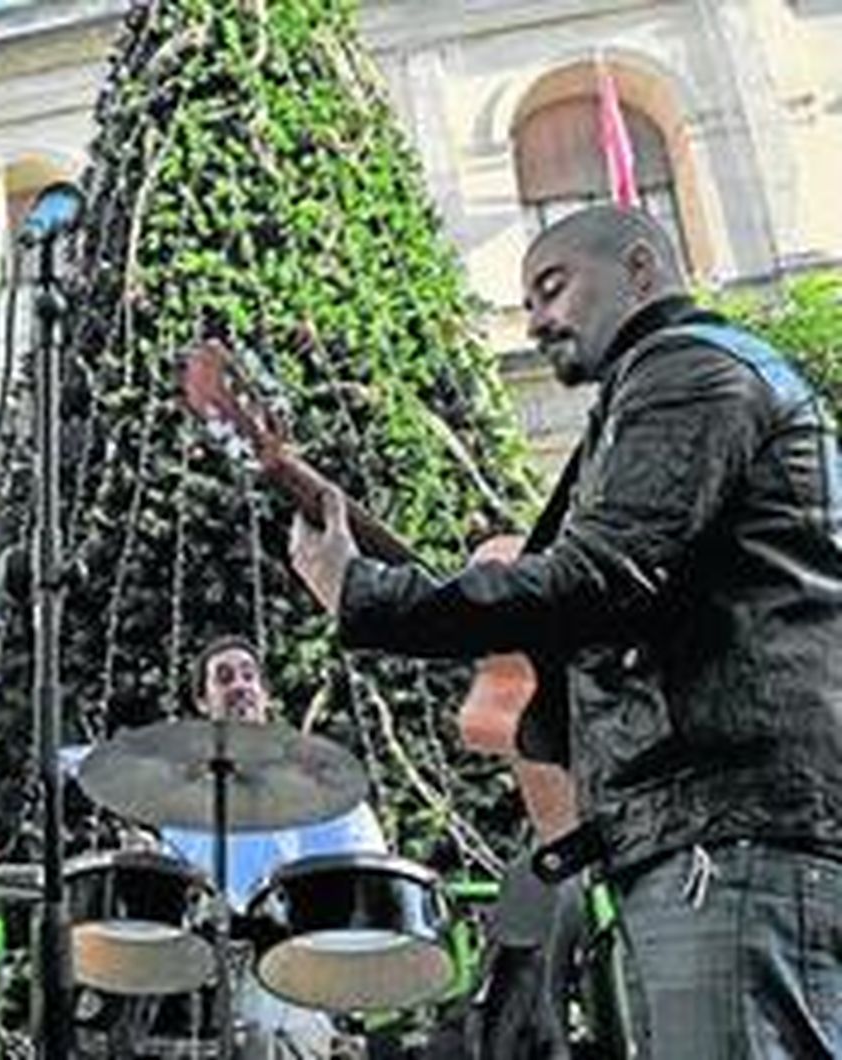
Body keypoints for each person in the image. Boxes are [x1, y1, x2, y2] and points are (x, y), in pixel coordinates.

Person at [287, 205, 842, 1058]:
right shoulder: (670, 385)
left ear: (642, 269)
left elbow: (597, 577)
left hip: (731, 821)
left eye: (554, 287)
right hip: (717, 821)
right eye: (528, 300)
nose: (539, 319)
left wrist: (364, 594)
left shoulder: (688, 371)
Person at [161, 636, 386, 1060]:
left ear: (265, 695)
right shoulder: (178, 805)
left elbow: (365, 883)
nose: (239, 685)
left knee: (264, 1028)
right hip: (203, 969)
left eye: (249, 676)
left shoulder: (316, 784)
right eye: (223, 678)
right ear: (203, 702)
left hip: (296, 963)